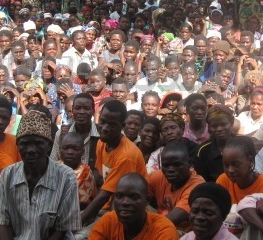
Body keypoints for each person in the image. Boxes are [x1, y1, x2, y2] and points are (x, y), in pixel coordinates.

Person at [0, 110, 82, 239]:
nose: (31, 150)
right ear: (17, 145)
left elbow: (62, 230)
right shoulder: (7, 175)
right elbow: (3, 222)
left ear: (49, 145)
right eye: (24, 144)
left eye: (38, 143)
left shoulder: (66, 177)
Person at [79, 100, 147, 230]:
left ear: (122, 126)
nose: (104, 128)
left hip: (126, 210)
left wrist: (77, 223)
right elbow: (99, 177)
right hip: (107, 204)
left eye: (112, 124)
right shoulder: (102, 142)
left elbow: (105, 195)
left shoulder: (126, 155)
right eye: (103, 121)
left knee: (76, 235)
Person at [217, 136, 263, 235]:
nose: (230, 170)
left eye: (236, 164)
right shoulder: (223, 180)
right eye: (226, 165)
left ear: (250, 161)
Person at [89, 173, 179, 240]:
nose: (125, 202)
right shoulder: (108, 221)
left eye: (134, 197)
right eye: (119, 196)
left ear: (147, 200)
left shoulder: (163, 230)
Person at [147, 141, 205, 231]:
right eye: (166, 165)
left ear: (189, 163)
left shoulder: (197, 186)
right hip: (159, 223)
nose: (170, 170)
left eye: (176, 165)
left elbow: (171, 220)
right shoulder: (158, 176)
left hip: (182, 232)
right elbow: (135, 191)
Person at [50, 93, 99, 166]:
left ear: (93, 111)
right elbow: (52, 164)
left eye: (86, 108)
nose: (81, 112)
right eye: (78, 108)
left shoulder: (100, 134)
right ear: (72, 110)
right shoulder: (62, 133)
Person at [195, 105, 236, 182]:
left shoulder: (242, 145)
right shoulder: (202, 151)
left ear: (232, 122)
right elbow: (202, 181)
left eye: (223, 124)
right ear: (209, 127)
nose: (219, 129)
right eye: (214, 126)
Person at [59, 132, 97, 209]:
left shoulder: (85, 173)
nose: (70, 152)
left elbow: (81, 203)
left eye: (75, 149)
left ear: (82, 152)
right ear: (60, 149)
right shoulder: (53, 167)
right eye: (66, 148)